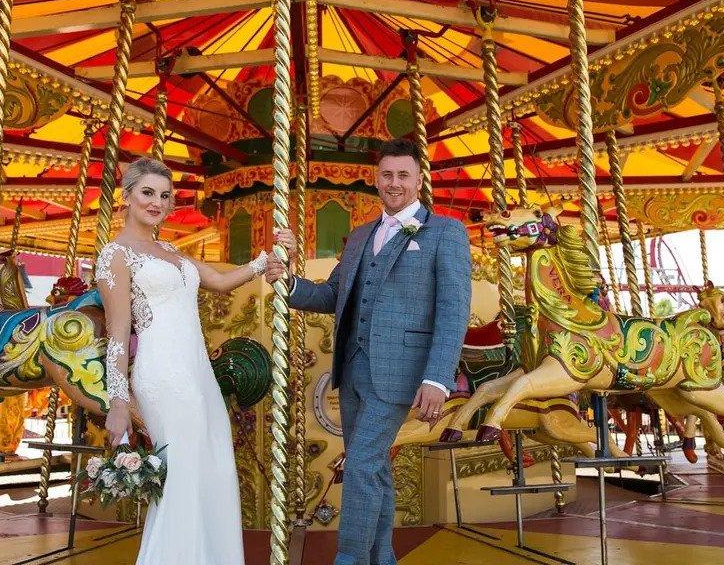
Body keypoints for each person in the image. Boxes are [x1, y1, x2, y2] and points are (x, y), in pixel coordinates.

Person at [266, 138, 471, 565]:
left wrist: (437, 377)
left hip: (401, 372)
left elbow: (454, 309)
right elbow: (330, 296)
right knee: (374, 467)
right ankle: (383, 557)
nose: (394, 184)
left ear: (418, 179)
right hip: (354, 369)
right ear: (376, 178)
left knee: (359, 466)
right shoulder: (361, 236)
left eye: (403, 175)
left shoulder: (445, 232)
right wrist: (286, 281)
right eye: (387, 175)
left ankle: (350, 558)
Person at [97, 157, 269, 565]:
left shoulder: (170, 251)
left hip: (198, 375)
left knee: (216, 471)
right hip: (164, 375)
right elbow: (118, 333)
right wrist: (118, 401)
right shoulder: (115, 255)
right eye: (148, 193)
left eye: (165, 196)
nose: (157, 202)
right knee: (182, 479)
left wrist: (267, 259)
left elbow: (221, 280)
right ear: (128, 196)